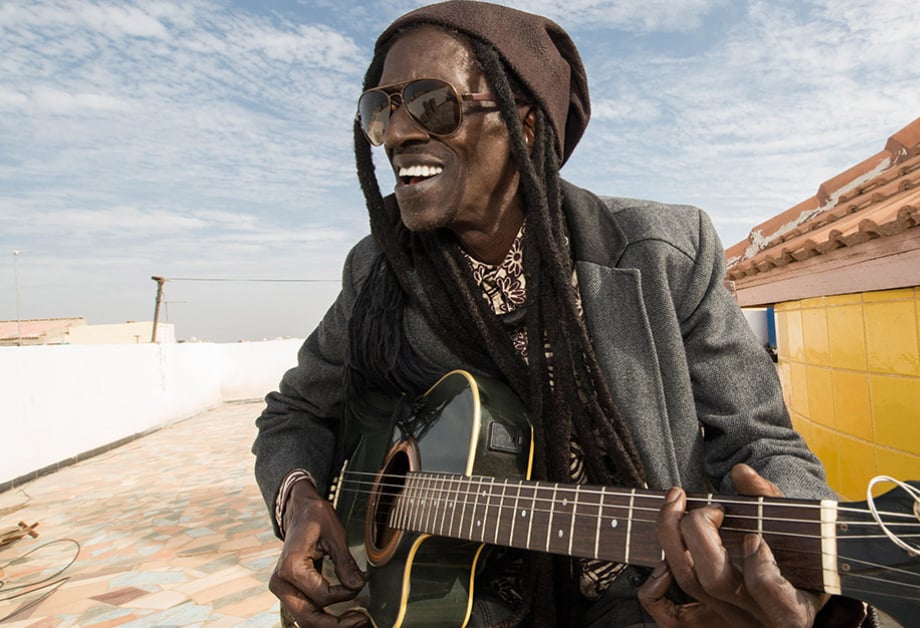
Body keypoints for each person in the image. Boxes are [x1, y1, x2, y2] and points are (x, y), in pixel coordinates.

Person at [253, 2, 863, 626]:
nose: (399, 132)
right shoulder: (379, 269)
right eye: (380, 109)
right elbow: (295, 412)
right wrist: (299, 498)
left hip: (642, 598)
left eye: (431, 103)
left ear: (527, 126)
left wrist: (807, 573)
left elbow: (760, 441)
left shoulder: (663, 254)